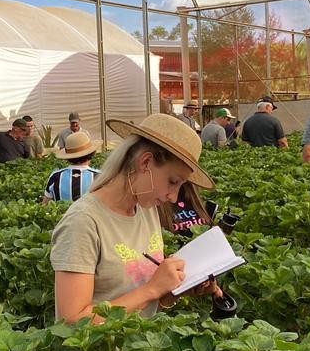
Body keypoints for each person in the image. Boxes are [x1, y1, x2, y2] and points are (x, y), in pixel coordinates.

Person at [50, 114, 221, 323]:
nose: (174, 196)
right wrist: (151, 289)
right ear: (146, 162)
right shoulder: (83, 222)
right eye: (173, 181)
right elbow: (73, 320)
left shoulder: (146, 208)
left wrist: (173, 290)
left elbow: (136, 299)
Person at [42, 130, 98, 202]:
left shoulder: (56, 176)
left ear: (68, 157)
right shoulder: (99, 177)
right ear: (92, 153)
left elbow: (45, 204)